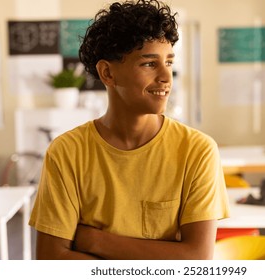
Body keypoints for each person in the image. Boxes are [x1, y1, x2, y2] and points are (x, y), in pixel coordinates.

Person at [29, 0, 229, 260]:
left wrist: (97, 241)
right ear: (108, 74)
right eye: (149, 64)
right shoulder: (67, 152)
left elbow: (196, 258)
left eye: (168, 62)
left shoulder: (197, 150)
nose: (166, 77)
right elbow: (52, 261)